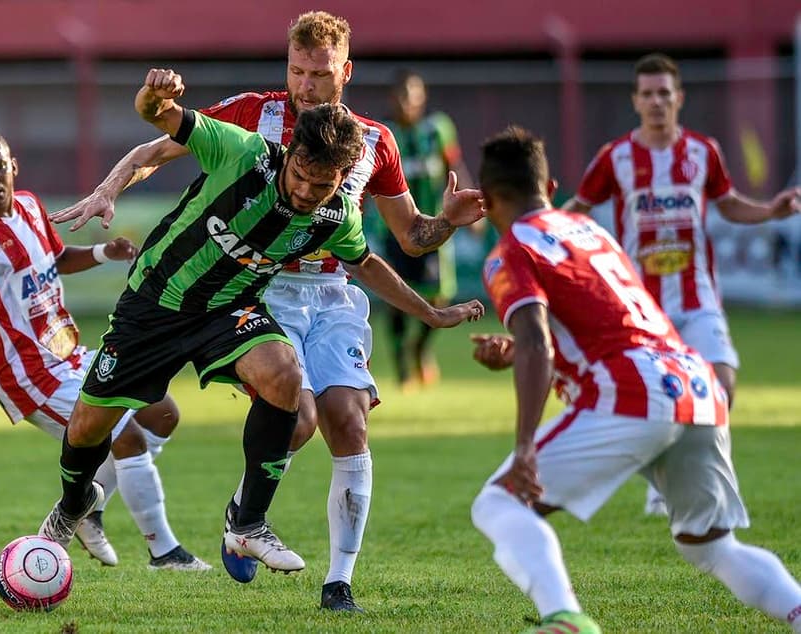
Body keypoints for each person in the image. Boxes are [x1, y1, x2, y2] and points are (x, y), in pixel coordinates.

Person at [53, 11, 485, 611]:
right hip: (257, 289)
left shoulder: (373, 144)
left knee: (348, 420)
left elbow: (410, 237)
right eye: (297, 71)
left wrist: (447, 225)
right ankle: (222, 512)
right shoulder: (254, 119)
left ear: (346, 72)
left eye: (319, 73)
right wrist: (111, 187)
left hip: (333, 294)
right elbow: (162, 143)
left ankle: (336, 583)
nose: (305, 84)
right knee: (296, 416)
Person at [469, 125, 801, 634]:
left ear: (487, 200)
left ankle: (566, 619)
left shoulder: (510, 251)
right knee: (711, 545)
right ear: (552, 188)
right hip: (697, 386)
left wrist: (524, 443)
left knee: (498, 501)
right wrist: (519, 353)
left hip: (633, 391)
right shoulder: (592, 231)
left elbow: (539, 340)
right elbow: (604, 318)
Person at [0, 129, 209, 572]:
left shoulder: (31, 205)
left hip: (69, 351)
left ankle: (85, 507)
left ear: (13, 165)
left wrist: (102, 252)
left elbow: (52, 259)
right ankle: (165, 553)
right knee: (123, 437)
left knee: (162, 412)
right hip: (26, 372)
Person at [561, 53, 801, 516]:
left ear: (679, 98)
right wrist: (541, 222)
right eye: (647, 93)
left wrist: (771, 209)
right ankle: (664, 482)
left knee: (722, 383)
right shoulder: (616, 157)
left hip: (698, 296)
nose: (656, 101)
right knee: (657, 395)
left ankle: (702, 478)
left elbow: (728, 204)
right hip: (642, 305)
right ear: (635, 100)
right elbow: (580, 205)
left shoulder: (702, 151)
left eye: (664, 93)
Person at [379, 70, 474, 389]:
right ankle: (402, 368)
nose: (409, 101)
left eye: (414, 94)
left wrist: (471, 207)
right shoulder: (385, 134)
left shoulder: (438, 129)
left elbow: (455, 167)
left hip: (434, 226)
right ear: (394, 99)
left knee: (440, 294)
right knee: (395, 295)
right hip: (392, 228)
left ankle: (420, 349)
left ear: (423, 97)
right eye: (403, 95)